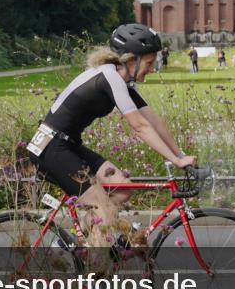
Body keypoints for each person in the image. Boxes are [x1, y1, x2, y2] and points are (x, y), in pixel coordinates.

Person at [25, 23, 196, 246]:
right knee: (103, 210)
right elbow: (140, 126)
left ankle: (67, 246)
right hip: (51, 148)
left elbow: (153, 121)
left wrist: (181, 155)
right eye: (149, 63)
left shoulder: (122, 81)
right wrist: (176, 160)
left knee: (122, 188)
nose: (152, 68)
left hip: (68, 145)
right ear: (131, 60)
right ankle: (97, 274)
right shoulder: (109, 77)